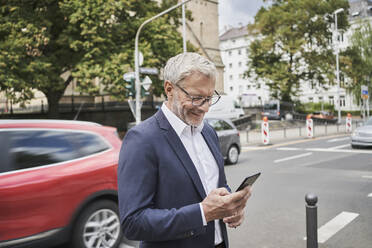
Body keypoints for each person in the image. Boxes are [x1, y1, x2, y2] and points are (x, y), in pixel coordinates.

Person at [118, 52, 252, 248]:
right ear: (169, 88)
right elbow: (133, 223)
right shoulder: (142, 139)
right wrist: (202, 213)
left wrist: (232, 205)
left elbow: (214, 189)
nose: (205, 108)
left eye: (209, 98)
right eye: (197, 98)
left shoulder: (209, 132)